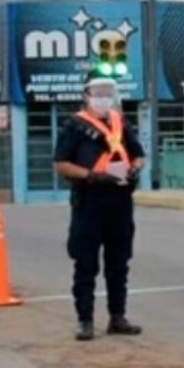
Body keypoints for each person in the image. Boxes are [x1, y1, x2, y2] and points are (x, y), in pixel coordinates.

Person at [53, 67, 145, 341]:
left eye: (108, 93)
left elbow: (138, 154)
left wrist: (135, 168)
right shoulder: (75, 125)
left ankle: (118, 316)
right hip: (89, 199)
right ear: (87, 95)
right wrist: (91, 175)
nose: (104, 98)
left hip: (119, 199)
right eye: (98, 93)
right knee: (86, 263)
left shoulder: (122, 122)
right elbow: (61, 164)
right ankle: (85, 320)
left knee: (119, 262)